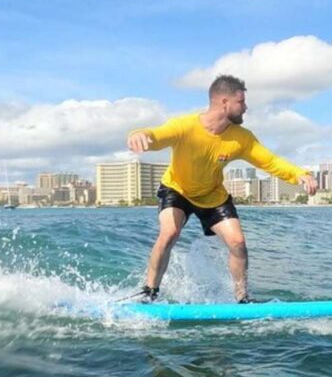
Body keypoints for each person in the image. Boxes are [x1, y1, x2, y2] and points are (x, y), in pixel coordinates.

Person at [126, 74, 317, 303]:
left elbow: (270, 161)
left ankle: (242, 299)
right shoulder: (185, 126)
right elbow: (156, 135)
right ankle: (149, 292)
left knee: (237, 243)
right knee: (169, 233)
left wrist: (299, 174)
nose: (245, 107)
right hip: (176, 190)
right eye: (241, 102)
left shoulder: (241, 138)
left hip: (212, 195)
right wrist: (138, 134)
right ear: (224, 102)